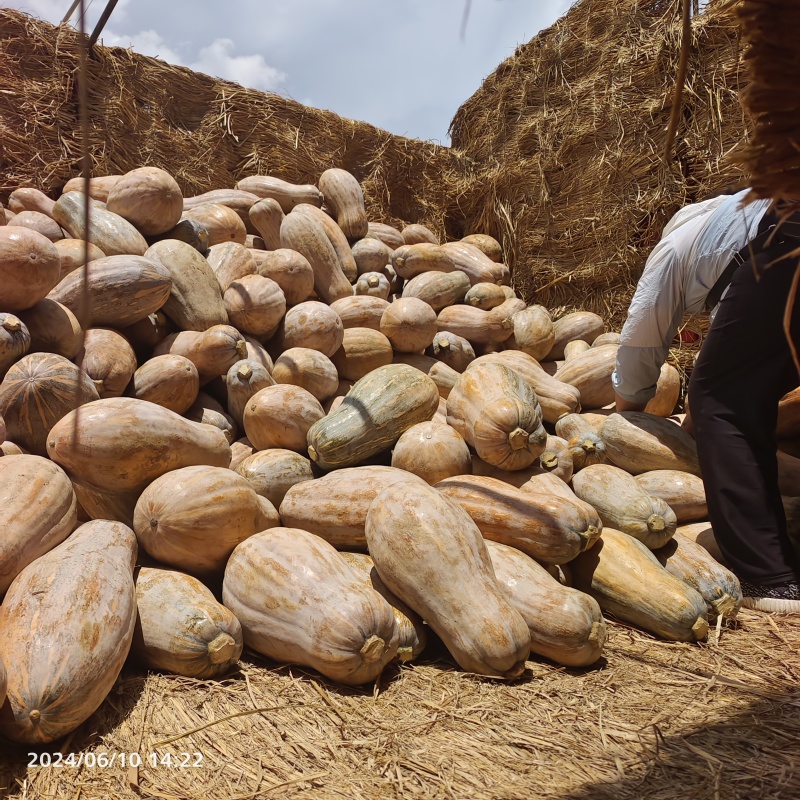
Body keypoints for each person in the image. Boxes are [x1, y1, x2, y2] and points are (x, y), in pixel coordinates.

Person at [612, 188, 800, 613]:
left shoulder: (675, 246)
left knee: (725, 399)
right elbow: (744, 347)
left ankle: (769, 579)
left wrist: (626, 419)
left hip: (792, 248)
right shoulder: (735, 220)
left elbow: (641, 340)